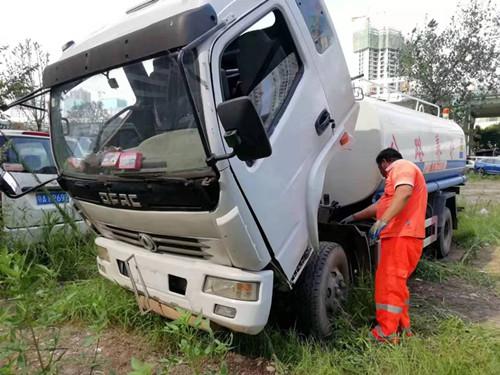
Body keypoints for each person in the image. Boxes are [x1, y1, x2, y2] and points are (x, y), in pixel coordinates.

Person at [341, 148, 427, 343]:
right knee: (396, 285)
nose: (382, 174)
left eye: (381, 169)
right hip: (402, 237)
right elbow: (379, 206)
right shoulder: (396, 179)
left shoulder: (400, 166)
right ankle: (401, 328)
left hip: (401, 236)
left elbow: (404, 193)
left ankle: (386, 333)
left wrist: (382, 222)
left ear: (385, 162)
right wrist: (354, 217)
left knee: (388, 284)